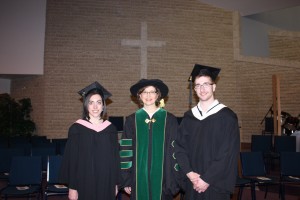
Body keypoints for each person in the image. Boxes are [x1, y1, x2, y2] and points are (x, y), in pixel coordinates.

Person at [175, 64, 240, 200]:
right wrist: (189, 173)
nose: (202, 89)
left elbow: (227, 153)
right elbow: (179, 148)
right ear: (194, 89)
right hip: (192, 183)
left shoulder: (227, 117)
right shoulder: (188, 117)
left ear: (214, 87)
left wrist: (206, 179)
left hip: (215, 184)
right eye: (198, 85)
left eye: (206, 84)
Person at [119, 79, 180, 200]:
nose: (148, 95)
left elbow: (176, 151)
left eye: (152, 92)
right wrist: (126, 180)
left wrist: (174, 179)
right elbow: (125, 151)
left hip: (164, 180)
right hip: (138, 179)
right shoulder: (132, 120)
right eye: (144, 92)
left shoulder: (169, 119)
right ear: (139, 96)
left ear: (158, 95)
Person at [59, 81, 120, 200]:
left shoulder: (111, 129)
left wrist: (115, 183)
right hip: (84, 181)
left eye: (99, 102)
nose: (95, 107)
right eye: (91, 103)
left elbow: (115, 160)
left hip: (106, 182)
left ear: (103, 106)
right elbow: (72, 161)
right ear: (86, 105)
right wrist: (72, 187)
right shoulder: (76, 129)